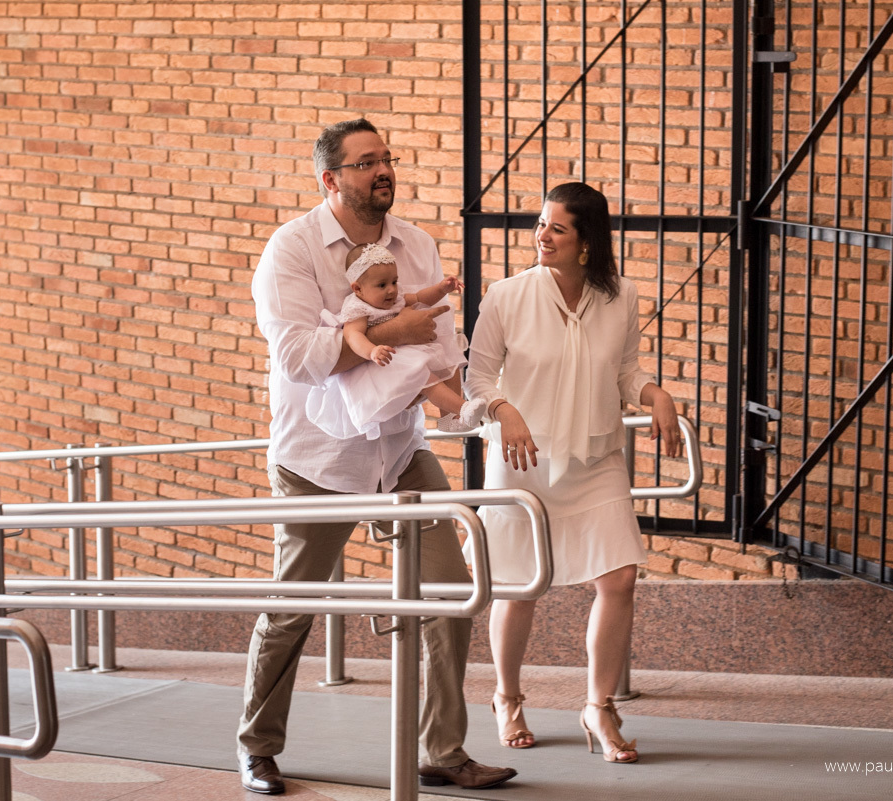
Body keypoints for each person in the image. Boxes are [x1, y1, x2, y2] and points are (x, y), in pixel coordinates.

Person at [238, 118, 516, 795]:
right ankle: (256, 746)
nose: (382, 170)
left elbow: (436, 354)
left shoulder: (415, 246)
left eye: (386, 158)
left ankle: (442, 751)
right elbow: (299, 357)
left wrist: (475, 407)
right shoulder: (293, 250)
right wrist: (391, 329)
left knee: (450, 589)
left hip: (399, 450)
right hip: (318, 458)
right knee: (293, 605)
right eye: (366, 163)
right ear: (331, 180)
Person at [464, 181, 683, 764]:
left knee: (620, 580)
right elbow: (476, 381)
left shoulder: (622, 296)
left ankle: (598, 706)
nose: (542, 235)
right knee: (520, 587)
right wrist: (503, 410)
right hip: (523, 462)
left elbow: (625, 374)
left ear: (587, 240)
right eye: (541, 224)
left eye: (557, 227)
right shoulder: (506, 296)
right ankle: (507, 697)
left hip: (596, 459)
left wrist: (655, 393)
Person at [304, 241, 486, 441]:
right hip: (382, 361)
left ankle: (451, 419)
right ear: (357, 288)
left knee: (449, 364)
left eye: (394, 282)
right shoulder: (357, 308)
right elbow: (353, 336)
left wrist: (442, 288)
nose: (391, 290)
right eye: (382, 285)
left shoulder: (394, 297)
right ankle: (463, 408)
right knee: (426, 378)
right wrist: (371, 351)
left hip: (405, 352)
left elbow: (420, 297)